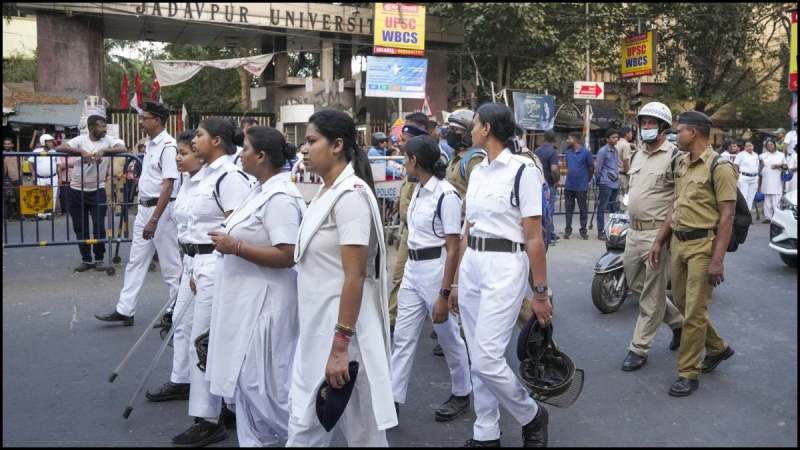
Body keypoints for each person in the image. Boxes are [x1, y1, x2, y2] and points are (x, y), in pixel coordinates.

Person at [288, 110, 396, 446]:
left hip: (344, 335)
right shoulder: (327, 192)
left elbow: (355, 275)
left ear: (337, 145)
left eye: (311, 140)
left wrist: (340, 347)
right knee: (359, 432)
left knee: (311, 428)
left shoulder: (350, 196)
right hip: (320, 327)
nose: (303, 149)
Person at [449, 103, 550, 447]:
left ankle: (531, 414)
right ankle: (486, 432)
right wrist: (456, 282)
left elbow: (534, 236)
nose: (470, 130)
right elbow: (468, 228)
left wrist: (540, 293)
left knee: (488, 357)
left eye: (474, 124)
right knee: (476, 355)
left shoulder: (524, 172)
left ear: (488, 128)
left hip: (506, 265)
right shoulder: (477, 172)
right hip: (473, 263)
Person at [205, 126, 305, 446]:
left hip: (268, 306)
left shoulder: (281, 198)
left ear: (261, 156)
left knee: (263, 386)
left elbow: (288, 254)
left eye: (245, 148)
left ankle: (301, 439)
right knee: (246, 385)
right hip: (246, 302)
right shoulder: (259, 190)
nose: (240, 154)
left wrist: (236, 248)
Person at [170, 117, 253, 447]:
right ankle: (228, 405)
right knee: (196, 334)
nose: (194, 142)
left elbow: (239, 227)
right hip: (195, 263)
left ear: (217, 140)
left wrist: (212, 266)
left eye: (200, 136)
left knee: (203, 341)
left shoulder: (230, 177)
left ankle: (207, 418)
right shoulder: (203, 176)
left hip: (215, 263)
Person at [649, 110, 737, 398]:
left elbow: (727, 217)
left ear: (695, 133)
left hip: (703, 245)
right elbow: (675, 206)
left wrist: (717, 259)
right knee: (684, 303)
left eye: (680, 131)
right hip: (679, 243)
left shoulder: (719, 167)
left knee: (695, 313)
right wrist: (659, 241)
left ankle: (688, 373)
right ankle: (719, 348)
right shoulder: (682, 163)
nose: (676, 136)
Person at [391, 135, 472, 423]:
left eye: (405, 158)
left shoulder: (446, 195)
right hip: (413, 271)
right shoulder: (419, 190)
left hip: (436, 270)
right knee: (402, 337)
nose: (402, 164)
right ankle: (393, 399)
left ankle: (462, 392)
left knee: (449, 336)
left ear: (416, 161)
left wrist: (444, 291)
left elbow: (452, 248)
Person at [94, 102, 183, 325]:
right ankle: (125, 309)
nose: (141, 122)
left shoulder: (168, 146)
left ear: (158, 120)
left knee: (171, 265)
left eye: (145, 118)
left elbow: (168, 185)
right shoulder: (152, 144)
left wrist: (154, 219)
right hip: (145, 208)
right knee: (136, 261)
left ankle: (177, 311)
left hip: (160, 211)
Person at [620, 101, 684, 372]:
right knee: (635, 284)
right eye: (643, 122)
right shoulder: (637, 155)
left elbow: (677, 203)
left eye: (651, 123)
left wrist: (661, 238)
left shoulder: (674, 157)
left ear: (663, 127)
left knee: (651, 294)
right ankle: (678, 322)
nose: (646, 127)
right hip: (633, 231)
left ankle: (639, 348)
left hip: (657, 233)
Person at [144, 130, 201, 404]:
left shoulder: (219, 182)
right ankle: (181, 380)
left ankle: (222, 399)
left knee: (205, 330)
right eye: (177, 152)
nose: (177, 158)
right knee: (181, 323)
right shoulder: (186, 183)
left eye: (184, 153)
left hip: (210, 264)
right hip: (191, 262)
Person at [57, 115, 126, 272]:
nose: (104, 130)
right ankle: (86, 260)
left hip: (97, 189)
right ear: (91, 127)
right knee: (80, 227)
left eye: (105, 127)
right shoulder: (80, 140)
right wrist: (81, 152)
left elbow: (123, 148)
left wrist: (105, 151)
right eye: (101, 126)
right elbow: (60, 148)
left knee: (99, 226)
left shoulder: (108, 140)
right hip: (76, 189)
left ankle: (99, 259)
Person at [387, 113, 430, 334]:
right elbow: (407, 191)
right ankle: (396, 317)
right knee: (402, 276)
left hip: (424, 233)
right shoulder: (410, 160)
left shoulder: (426, 159)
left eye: (407, 135)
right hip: (409, 229)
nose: (402, 142)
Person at [562, 131, 593, 240]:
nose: (567, 141)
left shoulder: (586, 153)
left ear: (575, 140)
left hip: (581, 186)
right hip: (569, 186)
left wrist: (587, 180)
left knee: (583, 209)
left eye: (569, 139)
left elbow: (591, 168)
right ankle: (568, 230)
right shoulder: (568, 152)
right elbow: (567, 166)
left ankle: (583, 230)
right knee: (568, 209)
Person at [535, 132, 561, 245]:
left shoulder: (537, 151)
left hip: (538, 183)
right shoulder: (553, 152)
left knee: (540, 211)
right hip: (549, 185)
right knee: (549, 211)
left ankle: (544, 234)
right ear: (553, 140)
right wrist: (557, 181)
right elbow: (554, 169)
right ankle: (549, 236)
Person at [594, 129, 621, 240]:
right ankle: (600, 231)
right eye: (613, 137)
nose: (616, 139)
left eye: (617, 137)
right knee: (602, 207)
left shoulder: (615, 150)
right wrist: (599, 181)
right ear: (607, 139)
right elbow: (598, 169)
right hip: (605, 183)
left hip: (615, 183)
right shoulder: (603, 151)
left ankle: (613, 232)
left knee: (614, 209)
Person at [27, 133, 60, 218]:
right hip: (40, 178)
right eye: (49, 142)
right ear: (43, 142)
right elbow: (30, 163)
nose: (51, 143)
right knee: (40, 195)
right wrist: (33, 175)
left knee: (52, 195)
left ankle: (49, 214)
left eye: (51, 142)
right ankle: (40, 214)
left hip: (53, 177)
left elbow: (58, 165)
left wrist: (59, 177)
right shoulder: (36, 151)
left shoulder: (54, 152)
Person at [758, 138, 786, 223]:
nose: (770, 146)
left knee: (776, 200)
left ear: (775, 145)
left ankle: (777, 217)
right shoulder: (762, 155)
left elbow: (786, 167)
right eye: (768, 145)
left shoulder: (781, 155)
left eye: (771, 144)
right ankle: (768, 217)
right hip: (766, 180)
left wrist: (779, 166)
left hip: (776, 180)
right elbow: (759, 168)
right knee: (767, 200)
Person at [734, 140, 759, 212]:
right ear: (744, 147)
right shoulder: (741, 154)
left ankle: (748, 214)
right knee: (744, 196)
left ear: (753, 146)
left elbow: (757, 166)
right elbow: (735, 165)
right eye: (747, 146)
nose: (749, 147)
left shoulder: (756, 155)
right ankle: (743, 213)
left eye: (750, 145)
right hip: (744, 178)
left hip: (754, 178)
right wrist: (737, 173)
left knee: (751, 197)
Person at [3, 137, 22, 220]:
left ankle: (19, 215)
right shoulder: (3, 154)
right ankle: (8, 215)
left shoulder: (16, 155)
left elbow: (20, 167)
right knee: (7, 198)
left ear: (12, 145)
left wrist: (19, 178)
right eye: (5, 144)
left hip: (15, 179)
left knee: (18, 198)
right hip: (5, 179)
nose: (7, 145)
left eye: (8, 144)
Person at [617, 126, 634, 194]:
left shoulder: (616, 143)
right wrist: (629, 176)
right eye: (631, 133)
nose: (632, 135)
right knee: (625, 199)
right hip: (623, 176)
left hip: (615, 175)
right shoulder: (626, 145)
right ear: (626, 134)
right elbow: (626, 162)